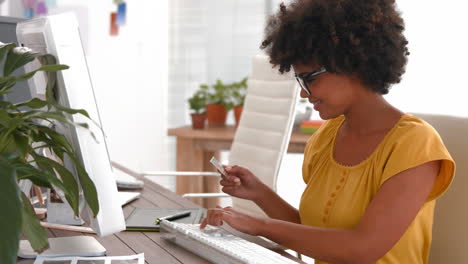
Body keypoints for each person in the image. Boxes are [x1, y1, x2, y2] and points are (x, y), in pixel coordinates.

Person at [200, 0, 455, 263]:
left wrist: (261, 226)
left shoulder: (415, 144)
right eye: (300, 81)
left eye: (310, 78)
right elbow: (314, 232)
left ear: (351, 63)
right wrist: (259, 193)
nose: (303, 92)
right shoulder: (325, 138)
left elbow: (363, 248)